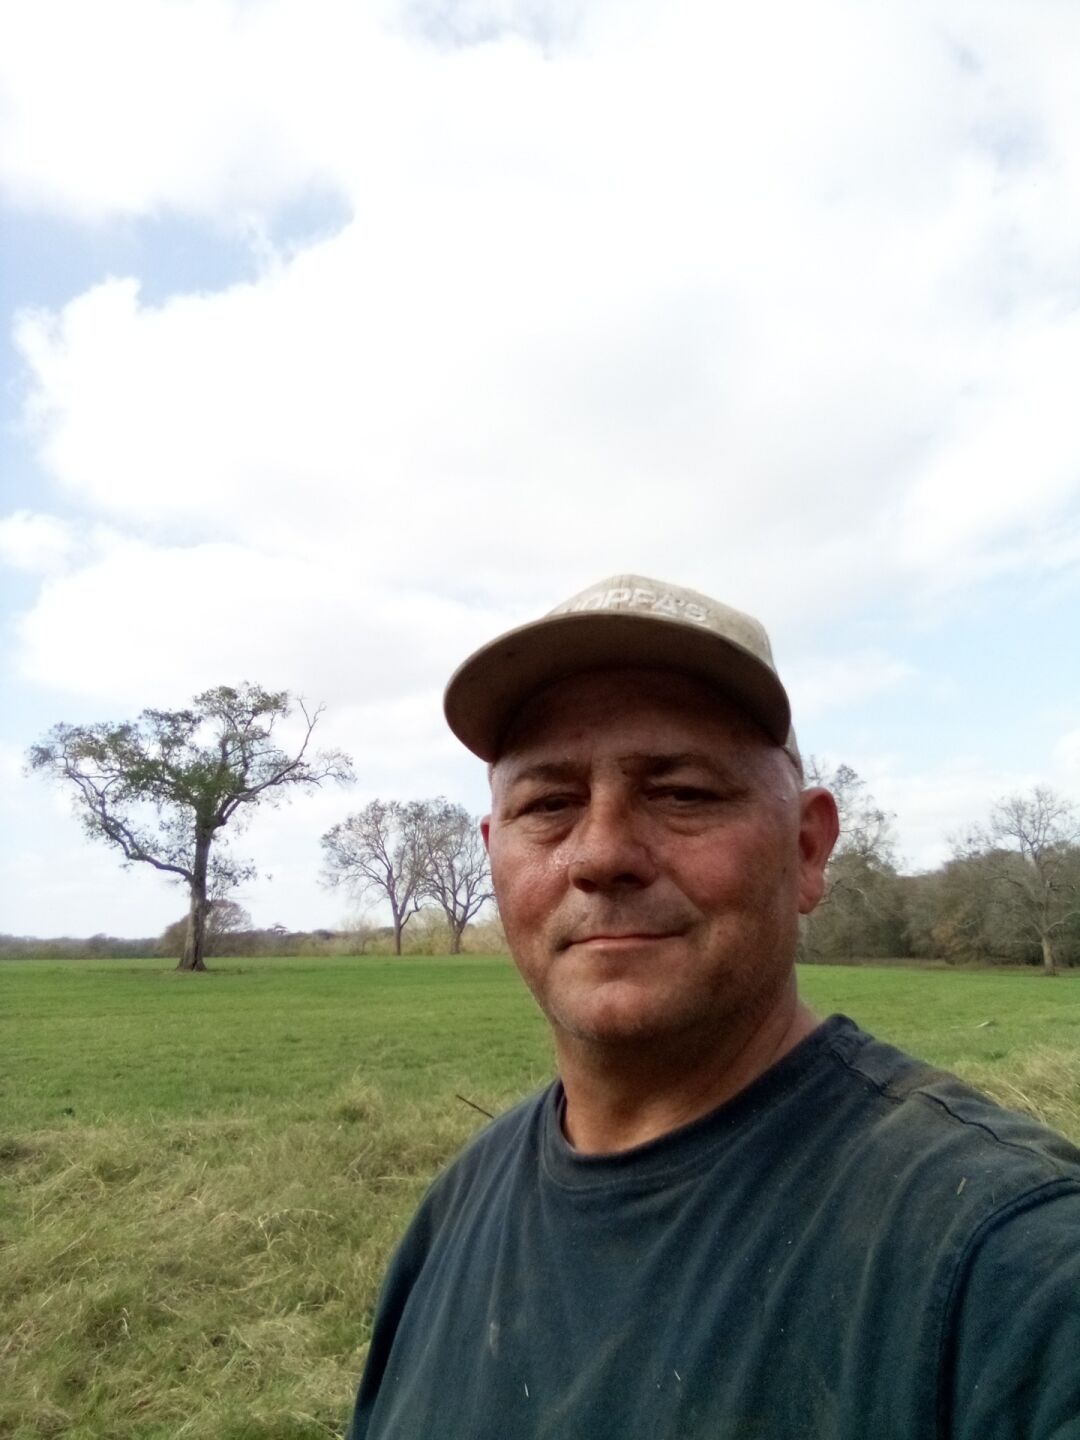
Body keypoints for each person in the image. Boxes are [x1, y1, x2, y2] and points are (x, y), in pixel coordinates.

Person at [347, 574, 1080, 1440]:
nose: (602, 855)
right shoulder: (453, 1215)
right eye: (548, 805)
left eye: (683, 793)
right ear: (493, 856)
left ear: (806, 850)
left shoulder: (1010, 1264)